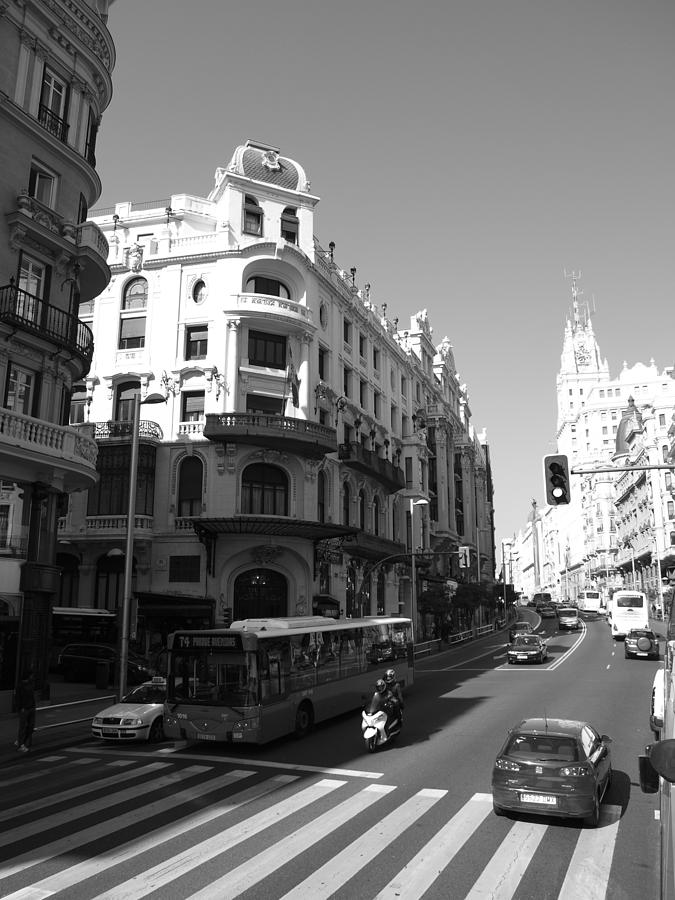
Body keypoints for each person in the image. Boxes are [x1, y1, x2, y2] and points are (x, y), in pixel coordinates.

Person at [14, 671, 36, 753]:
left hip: (31, 708)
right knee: (22, 727)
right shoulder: (20, 686)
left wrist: (33, 705)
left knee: (31, 726)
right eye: (31, 676)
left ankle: (21, 740)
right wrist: (20, 708)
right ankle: (20, 745)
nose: (33, 677)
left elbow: (32, 696)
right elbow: (17, 698)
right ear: (28, 677)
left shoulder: (30, 684)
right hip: (24, 709)